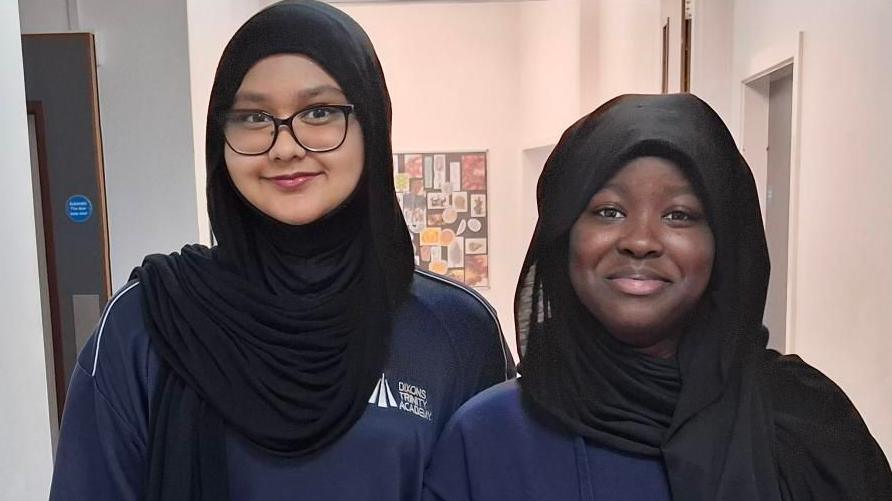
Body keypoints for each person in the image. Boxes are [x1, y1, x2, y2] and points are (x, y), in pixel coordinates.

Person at [49, 2, 514, 499]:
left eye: (318, 111)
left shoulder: (455, 329)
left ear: (371, 126)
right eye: (253, 116)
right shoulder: (147, 322)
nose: (285, 146)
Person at [423, 94, 891, 500]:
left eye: (680, 215)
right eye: (608, 211)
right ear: (563, 235)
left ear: (724, 243)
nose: (641, 240)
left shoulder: (806, 423)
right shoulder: (490, 438)